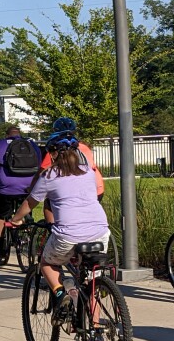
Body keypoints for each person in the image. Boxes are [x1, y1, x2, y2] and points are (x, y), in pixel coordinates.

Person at [11, 129, 110, 324]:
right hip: (100, 232)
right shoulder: (88, 172)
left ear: (54, 154)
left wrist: (16, 219)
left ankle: (59, 293)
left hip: (68, 234)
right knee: (92, 284)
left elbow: (30, 202)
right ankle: (95, 326)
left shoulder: (50, 175)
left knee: (47, 263)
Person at [0, 125, 42, 260]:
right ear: (20, 134)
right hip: (29, 188)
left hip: (6, 189)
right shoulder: (32, 144)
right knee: (26, 207)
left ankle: (1, 248)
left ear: (6, 135)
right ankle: (27, 233)